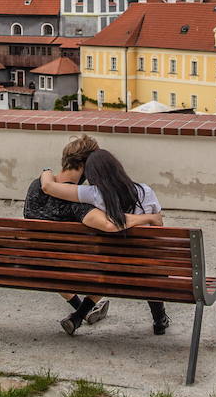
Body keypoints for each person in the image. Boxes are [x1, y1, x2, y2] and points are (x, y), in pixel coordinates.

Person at [40, 148, 170, 337]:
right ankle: (159, 319)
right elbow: (158, 228)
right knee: (147, 264)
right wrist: (147, 218)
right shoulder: (144, 191)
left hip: (110, 264)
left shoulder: (92, 194)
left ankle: (78, 316)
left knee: (115, 267)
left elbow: (48, 187)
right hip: (146, 266)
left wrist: (46, 171)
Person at [22, 135, 112, 327]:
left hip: (37, 262)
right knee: (114, 264)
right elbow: (107, 225)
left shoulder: (35, 186)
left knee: (50, 259)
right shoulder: (79, 200)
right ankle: (80, 314)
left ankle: (80, 312)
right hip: (70, 266)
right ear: (86, 165)